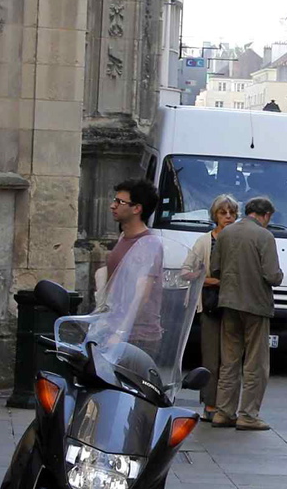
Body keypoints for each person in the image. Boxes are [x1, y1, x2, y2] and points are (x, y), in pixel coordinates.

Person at [210, 195, 283, 429]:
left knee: (229, 360)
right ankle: (248, 415)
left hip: (229, 302)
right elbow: (272, 275)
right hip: (256, 305)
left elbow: (215, 268)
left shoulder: (226, 233)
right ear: (266, 215)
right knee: (255, 362)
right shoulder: (265, 236)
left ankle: (223, 412)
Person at [183, 194, 239, 424]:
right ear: (214, 216)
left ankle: (227, 406)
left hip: (234, 305)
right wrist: (210, 280)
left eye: (232, 213)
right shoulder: (205, 241)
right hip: (210, 305)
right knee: (211, 358)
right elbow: (186, 271)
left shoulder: (238, 240)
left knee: (232, 359)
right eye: (222, 213)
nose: (227, 217)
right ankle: (210, 404)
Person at [99, 180, 167, 352]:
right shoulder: (124, 237)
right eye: (115, 200)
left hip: (138, 336)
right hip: (114, 330)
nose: (112, 206)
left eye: (120, 202)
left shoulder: (148, 244)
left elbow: (141, 296)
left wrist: (121, 332)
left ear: (137, 208)